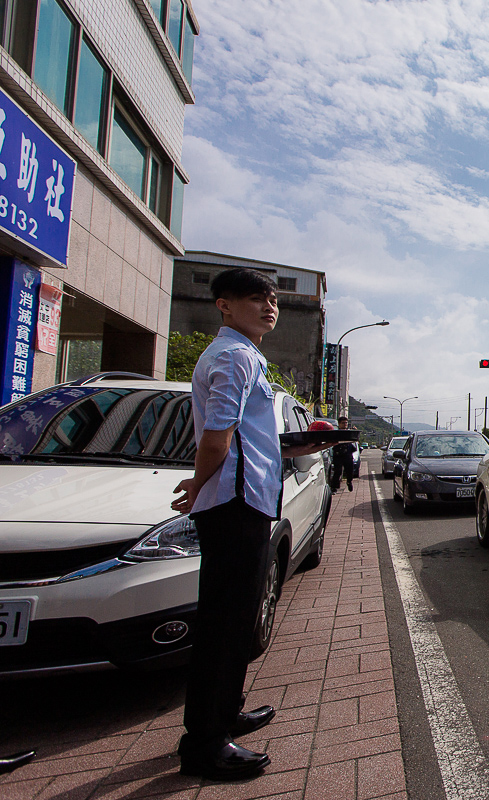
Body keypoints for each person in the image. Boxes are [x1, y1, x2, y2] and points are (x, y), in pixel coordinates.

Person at [170, 268, 329, 781]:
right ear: (224, 304)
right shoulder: (234, 357)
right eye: (255, 298)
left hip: (252, 502)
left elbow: (251, 440)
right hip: (234, 505)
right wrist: (197, 485)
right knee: (222, 625)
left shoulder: (248, 357)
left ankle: (226, 712)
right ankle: (205, 744)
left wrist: (303, 446)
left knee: (238, 620)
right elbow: (218, 436)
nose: (269, 307)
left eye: (273, 299)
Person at [329, 417, 357, 491]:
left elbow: (355, 439)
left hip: (348, 454)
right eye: (343, 423)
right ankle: (334, 487)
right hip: (338, 454)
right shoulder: (336, 433)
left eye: (346, 423)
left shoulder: (349, 432)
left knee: (350, 471)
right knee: (337, 471)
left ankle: (349, 482)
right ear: (339, 424)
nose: (345, 424)